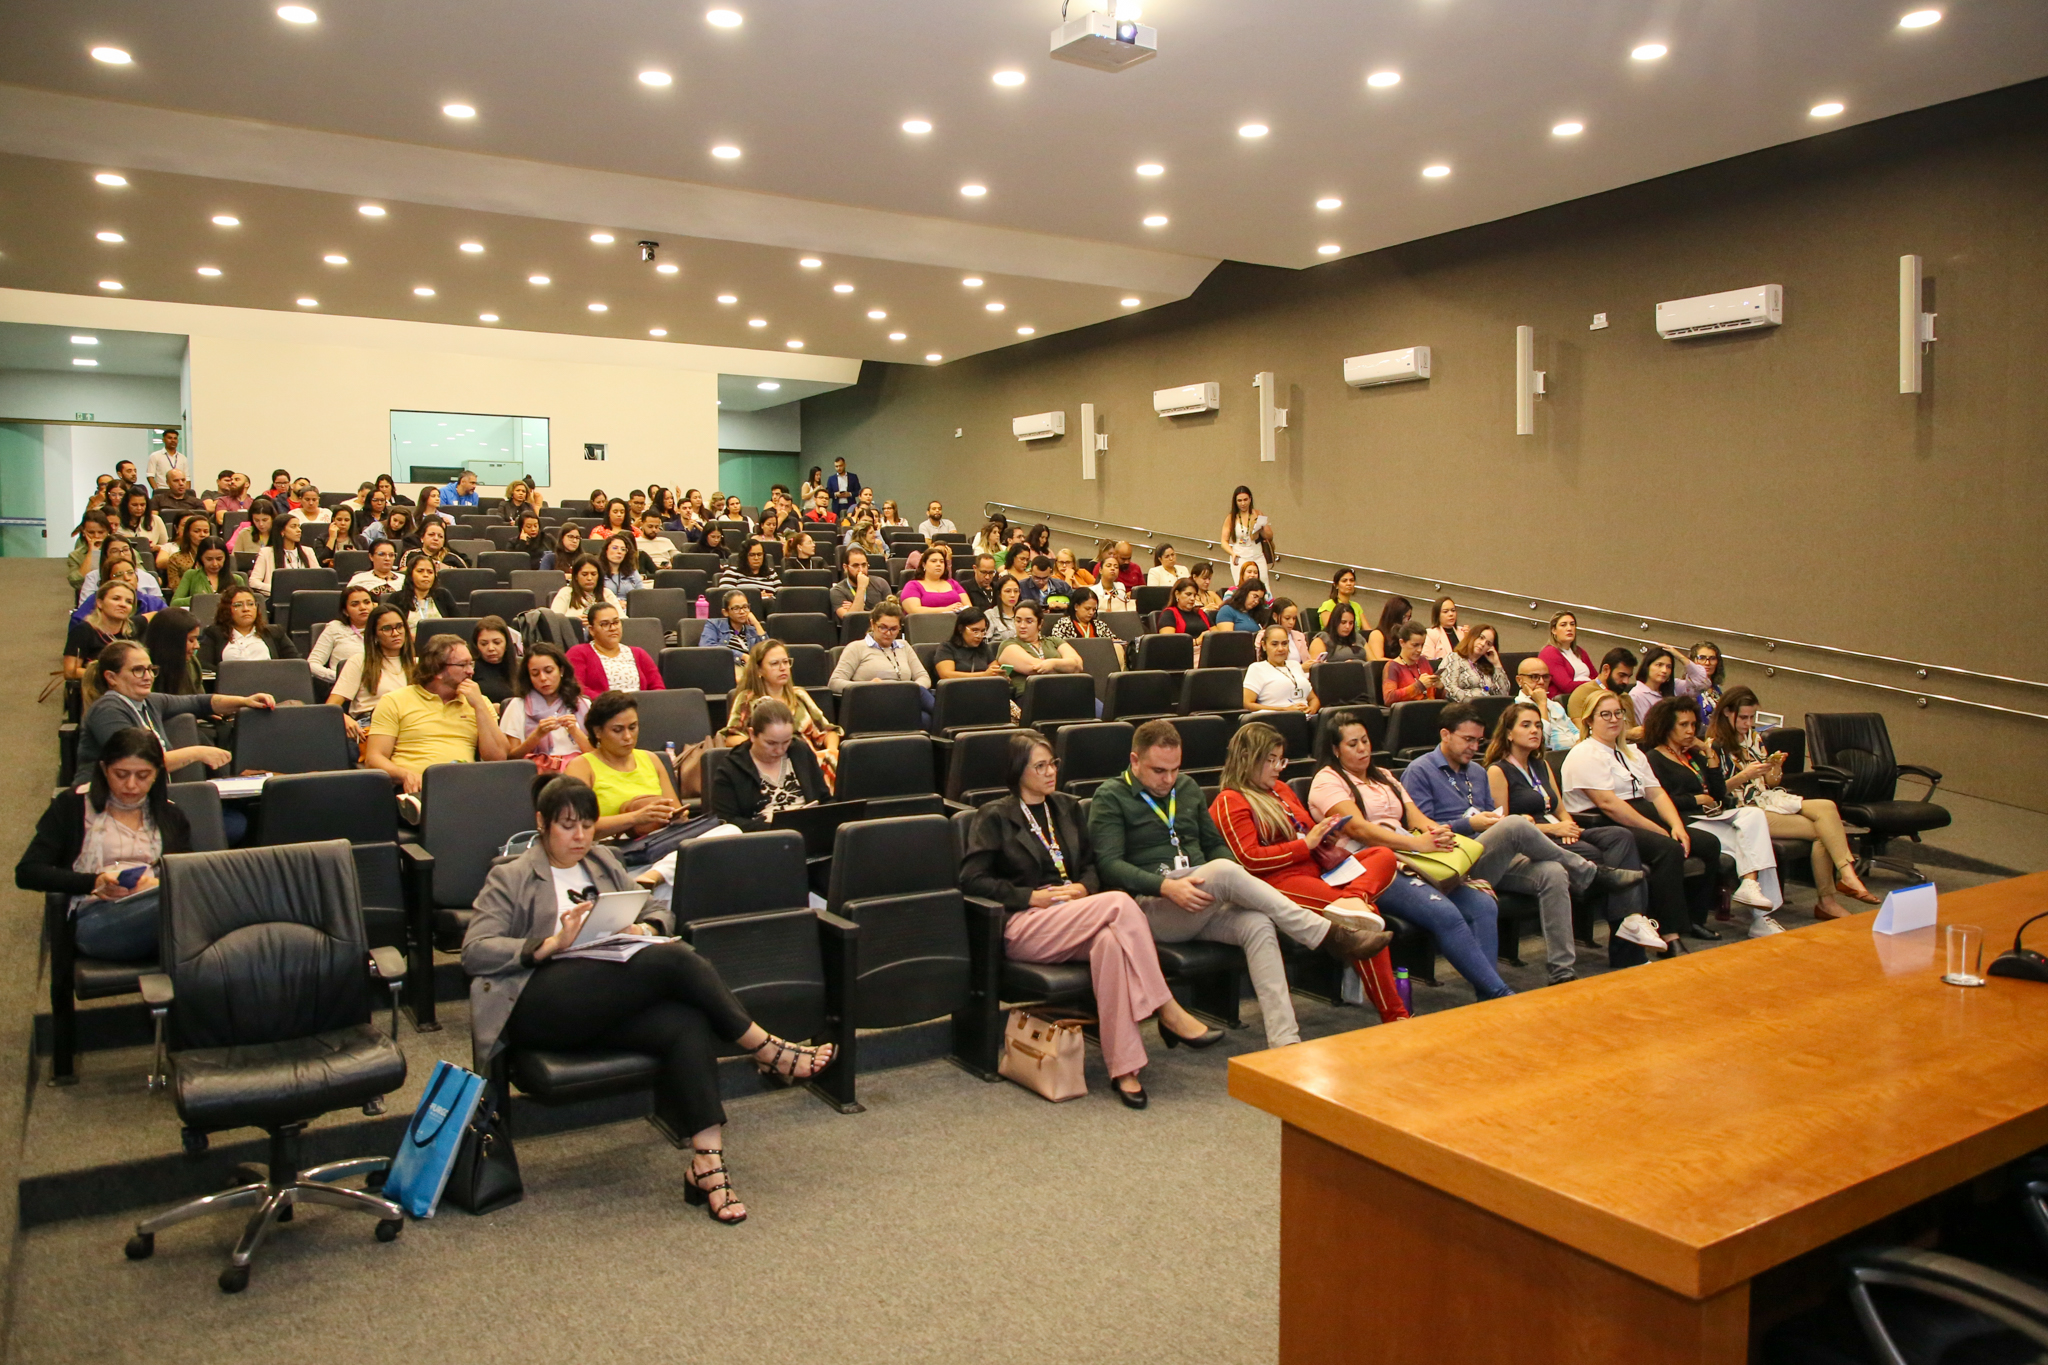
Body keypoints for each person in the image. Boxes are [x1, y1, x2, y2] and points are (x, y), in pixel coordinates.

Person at [466, 774, 831, 1224]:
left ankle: (707, 1164)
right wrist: (550, 944)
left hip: (605, 997)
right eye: (566, 826)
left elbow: (655, 909)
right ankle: (764, 1047)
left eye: (586, 825)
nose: (579, 836)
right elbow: (475, 950)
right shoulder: (512, 875)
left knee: (685, 1023)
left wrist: (645, 929)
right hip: (540, 1003)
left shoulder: (601, 861)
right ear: (542, 824)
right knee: (677, 961)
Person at [962, 731, 1227, 1107]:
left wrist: (1084, 889)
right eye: (1040, 765)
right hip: (1025, 923)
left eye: (1052, 763)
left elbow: (1090, 866)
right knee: (1119, 903)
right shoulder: (995, 816)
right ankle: (1166, 1007)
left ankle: (1125, 1069)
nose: (1050, 772)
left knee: (1111, 944)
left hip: (1076, 914)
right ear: (1017, 770)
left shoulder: (1067, 808)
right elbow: (972, 880)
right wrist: (1030, 896)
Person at [1090, 720, 1389, 1050]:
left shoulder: (1186, 788)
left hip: (1200, 896)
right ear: (1134, 761)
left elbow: (1214, 844)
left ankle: (1285, 1042)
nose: (1168, 779)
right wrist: (1166, 888)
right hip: (1150, 907)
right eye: (1159, 770)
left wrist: (1231, 878)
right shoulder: (1110, 797)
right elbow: (1110, 866)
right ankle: (1324, 933)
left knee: (1257, 923)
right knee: (1223, 871)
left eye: (1175, 769)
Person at [1404, 702, 1643, 984]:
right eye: (1467, 740)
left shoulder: (1477, 772)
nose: (1473, 747)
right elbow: (1418, 829)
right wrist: (1471, 824)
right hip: (1451, 863)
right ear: (1445, 734)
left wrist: (1492, 823)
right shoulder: (1419, 771)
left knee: (1553, 872)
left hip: (1487, 855)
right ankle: (1591, 872)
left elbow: (1490, 818)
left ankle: (1562, 971)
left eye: (1478, 740)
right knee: (1515, 823)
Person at [1306, 711, 1516, 1001]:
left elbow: (1417, 819)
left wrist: (1439, 834)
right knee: (1446, 914)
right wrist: (1418, 846)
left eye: (1365, 741)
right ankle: (1500, 993)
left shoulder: (1385, 776)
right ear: (1334, 749)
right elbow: (1360, 830)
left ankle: (1487, 993)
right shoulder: (1326, 781)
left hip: (1409, 856)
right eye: (1353, 744)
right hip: (1369, 864)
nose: (1363, 749)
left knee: (1482, 904)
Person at [1208, 722, 1407, 1022]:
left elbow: (1305, 832)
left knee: (1383, 854)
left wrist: (1324, 835)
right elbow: (1248, 860)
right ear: (1247, 757)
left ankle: (1353, 898)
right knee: (1367, 919)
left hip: (1320, 870)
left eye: (1281, 760)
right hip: (1278, 882)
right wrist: (1307, 845)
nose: (1278, 768)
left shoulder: (1282, 790)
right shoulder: (1230, 800)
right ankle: (1396, 1016)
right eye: (1271, 760)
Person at [1483, 702, 1659, 969]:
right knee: (1632, 872)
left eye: (1538, 726)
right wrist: (1554, 829)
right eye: (1526, 725)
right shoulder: (1498, 770)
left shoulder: (1540, 765)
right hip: (1537, 842)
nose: (1535, 731)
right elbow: (1505, 826)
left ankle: (1630, 922)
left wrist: (1569, 826)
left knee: (1620, 836)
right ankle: (1629, 944)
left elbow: (1561, 809)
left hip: (1563, 832)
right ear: (1508, 733)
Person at [17, 727, 192, 962]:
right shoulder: (72, 806)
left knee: (180, 902)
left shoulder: (170, 814)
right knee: (182, 905)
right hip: (97, 918)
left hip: (156, 910)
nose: (131, 785)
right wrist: (95, 881)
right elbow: (27, 872)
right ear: (103, 769)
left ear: (157, 774)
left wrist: (156, 884)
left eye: (143, 776)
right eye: (120, 774)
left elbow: (188, 873)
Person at [1560, 689, 1719, 946]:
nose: (1613, 719)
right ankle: (1669, 933)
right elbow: (1609, 805)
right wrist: (1659, 830)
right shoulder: (1584, 754)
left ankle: (1694, 920)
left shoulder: (1633, 753)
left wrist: (1676, 825)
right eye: (1605, 714)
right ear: (1589, 720)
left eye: (1618, 713)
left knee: (1708, 843)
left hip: (1642, 813)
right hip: (1606, 823)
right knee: (1668, 849)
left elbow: (1657, 794)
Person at [1707, 685, 1879, 919]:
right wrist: (1744, 775)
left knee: (1827, 808)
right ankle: (1832, 895)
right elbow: (1714, 792)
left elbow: (1771, 781)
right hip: (1742, 810)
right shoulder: (1713, 745)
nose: (1748, 723)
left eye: (1751, 717)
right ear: (1727, 712)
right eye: (1744, 718)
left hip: (1766, 799)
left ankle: (1846, 877)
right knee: (1825, 831)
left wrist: (1774, 767)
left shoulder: (1753, 737)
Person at [1643, 697, 1782, 934]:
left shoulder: (1693, 755)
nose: (1690, 731)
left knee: (1754, 817)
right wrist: (1694, 799)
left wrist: (1710, 754)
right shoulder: (1653, 758)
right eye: (1683, 725)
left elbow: (1717, 793)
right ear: (1666, 726)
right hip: (1686, 821)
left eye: (1693, 725)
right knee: (1754, 847)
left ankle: (1751, 888)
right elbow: (1658, 800)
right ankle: (1761, 919)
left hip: (1711, 817)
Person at [73, 640, 274, 779]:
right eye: (138, 670)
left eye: (151, 669)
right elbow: (137, 763)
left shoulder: (150, 701)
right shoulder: (107, 710)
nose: (148, 676)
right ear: (111, 677)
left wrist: (245, 701)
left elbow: (200, 702)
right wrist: (198, 752)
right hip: (102, 802)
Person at [364, 632, 511, 797]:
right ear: (437, 669)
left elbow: (498, 757)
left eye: (471, 664)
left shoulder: (478, 702)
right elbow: (374, 758)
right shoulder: (395, 700)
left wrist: (480, 706)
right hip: (414, 788)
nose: (470, 671)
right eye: (462, 665)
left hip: (463, 786)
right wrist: (405, 775)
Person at [561, 693, 685, 839]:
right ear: (598, 731)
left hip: (659, 843)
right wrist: (635, 818)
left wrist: (679, 817)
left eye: (632, 727)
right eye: (617, 730)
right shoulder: (581, 767)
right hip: (609, 849)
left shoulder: (652, 759)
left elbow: (677, 812)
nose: (627, 737)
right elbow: (577, 825)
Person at [710, 697, 831, 829]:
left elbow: (824, 799)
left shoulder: (800, 751)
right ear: (752, 734)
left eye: (786, 742)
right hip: (762, 839)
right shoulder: (731, 768)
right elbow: (725, 821)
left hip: (809, 830)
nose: (779, 750)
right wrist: (774, 827)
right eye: (771, 743)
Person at [719, 639, 839, 769]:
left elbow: (828, 731)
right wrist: (768, 748)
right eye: (775, 664)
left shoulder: (799, 695)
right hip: (769, 763)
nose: (783, 668)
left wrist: (832, 750)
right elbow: (731, 738)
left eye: (786, 662)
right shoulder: (747, 700)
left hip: (809, 762)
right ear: (759, 670)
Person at [829, 600, 933, 724]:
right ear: (873, 624)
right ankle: (953, 719)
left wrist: (909, 689)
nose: (888, 633)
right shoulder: (856, 647)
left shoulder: (904, 646)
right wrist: (866, 686)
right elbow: (834, 682)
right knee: (927, 705)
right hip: (872, 701)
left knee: (926, 718)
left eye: (893, 629)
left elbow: (923, 677)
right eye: (882, 627)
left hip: (904, 700)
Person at [500, 642, 591, 770]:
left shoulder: (583, 704)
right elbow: (511, 758)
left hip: (579, 770)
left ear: (561, 670)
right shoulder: (517, 705)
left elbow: (597, 755)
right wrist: (537, 735)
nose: (543, 678)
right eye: (535, 674)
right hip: (535, 772)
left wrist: (575, 732)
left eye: (548, 671)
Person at [996, 602, 1085, 703]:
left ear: (1040, 623)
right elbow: (1034, 668)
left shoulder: (1054, 641)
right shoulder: (1008, 645)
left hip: (1064, 690)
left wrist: (1053, 663)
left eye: (1029, 621)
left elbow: (1078, 664)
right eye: (1018, 621)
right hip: (1031, 695)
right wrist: (1067, 668)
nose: (1022, 626)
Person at [567, 602, 663, 695]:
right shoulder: (578, 653)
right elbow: (576, 688)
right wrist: (614, 705)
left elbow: (658, 688)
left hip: (641, 708)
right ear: (591, 630)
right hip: (601, 708)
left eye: (616, 622)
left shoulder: (639, 653)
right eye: (604, 624)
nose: (613, 628)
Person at [196, 587, 297, 672]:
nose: (246, 609)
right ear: (227, 609)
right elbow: (203, 665)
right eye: (238, 605)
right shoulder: (214, 633)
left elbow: (295, 663)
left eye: (250, 604)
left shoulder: (275, 632)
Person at [1629, 646, 1716, 728]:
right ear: (1647, 667)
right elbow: (1650, 729)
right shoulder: (1637, 695)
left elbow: (1703, 683)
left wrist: (1679, 657)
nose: (1664, 671)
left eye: (1669, 667)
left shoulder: (1674, 686)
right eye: (1659, 665)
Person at [1243, 623, 1318, 715]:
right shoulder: (1257, 668)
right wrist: (1284, 710)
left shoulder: (1296, 665)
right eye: (1274, 644)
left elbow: (1313, 698)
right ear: (1264, 645)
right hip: (1276, 719)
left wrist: (1312, 708)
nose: (1280, 649)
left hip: (1306, 719)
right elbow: (1247, 704)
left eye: (1284, 644)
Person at [308, 584, 376, 685]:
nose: (362, 607)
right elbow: (312, 664)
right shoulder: (335, 628)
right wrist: (338, 677)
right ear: (345, 611)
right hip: (343, 686)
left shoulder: (383, 627)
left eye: (367, 602)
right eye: (355, 604)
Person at [1515, 655, 1580, 751]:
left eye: (1545, 677)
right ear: (1520, 680)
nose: (1541, 682)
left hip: (1573, 753)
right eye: (1534, 677)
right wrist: (1542, 704)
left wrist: (1578, 747)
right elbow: (1541, 742)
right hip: (1551, 758)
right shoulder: (1518, 708)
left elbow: (1576, 732)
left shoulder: (1555, 705)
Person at [247, 514, 321, 595]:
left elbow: (319, 577)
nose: (299, 530)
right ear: (282, 531)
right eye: (293, 526)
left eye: (298, 526)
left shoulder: (308, 551)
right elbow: (253, 581)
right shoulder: (266, 553)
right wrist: (277, 589)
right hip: (278, 599)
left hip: (305, 597)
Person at [142, 606, 205, 696]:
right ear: (172, 641)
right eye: (191, 640)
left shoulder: (192, 663)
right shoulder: (143, 667)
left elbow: (201, 701)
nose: (197, 646)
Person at [1440, 624, 1511, 701]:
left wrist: (1497, 665)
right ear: (1472, 636)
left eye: (1488, 643)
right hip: (1462, 707)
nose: (1483, 644)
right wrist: (1474, 701)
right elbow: (1449, 688)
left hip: (1488, 707)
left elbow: (1504, 694)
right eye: (1481, 638)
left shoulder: (1487, 665)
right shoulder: (1454, 658)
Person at [1221, 485, 1274, 585]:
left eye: (1245, 499)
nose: (1243, 503)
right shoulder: (1231, 518)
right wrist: (1232, 553)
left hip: (1257, 555)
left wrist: (1261, 528)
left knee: (1263, 585)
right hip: (1240, 556)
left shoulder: (1258, 514)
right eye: (1239, 500)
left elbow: (1270, 536)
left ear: (1250, 499)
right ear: (1235, 502)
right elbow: (1224, 541)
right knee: (1242, 587)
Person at [389, 554, 456, 628]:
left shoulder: (443, 595)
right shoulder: (397, 598)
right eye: (420, 571)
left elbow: (457, 624)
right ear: (411, 575)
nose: (426, 575)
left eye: (430, 572)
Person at [170, 539, 243, 608]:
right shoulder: (191, 575)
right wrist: (201, 599)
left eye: (219, 559)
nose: (215, 564)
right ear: (201, 558)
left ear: (225, 558)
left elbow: (245, 602)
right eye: (209, 559)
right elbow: (174, 603)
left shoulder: (237, 579)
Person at [1539, 611, 1595, 699]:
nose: (1569, 628)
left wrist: (1597, 684)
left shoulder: (1580, 651)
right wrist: (1594, 684)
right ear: (1554, 630)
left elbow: (1595, 677)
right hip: (1565, 699)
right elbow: (1567, 686)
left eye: (1572, 624)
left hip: (1588, 696)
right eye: (1563, 625)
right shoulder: (1549, 652)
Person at [701, 590, 767, 663]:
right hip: (726, 667)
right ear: (725, 612)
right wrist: (742, 656)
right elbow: (706, 648)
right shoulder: (714, 625)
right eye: (736, 608)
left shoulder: (752, 630)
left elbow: (768, 652)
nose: (742, 612)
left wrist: (756, 623)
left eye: (745, 607)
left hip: (750, 670)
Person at [1382, 621, 1441, 702]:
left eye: (1422, 645)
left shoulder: (1423, 661)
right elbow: (1389, 698)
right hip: (1409, 711)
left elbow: (1433, 695)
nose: (1419, 650)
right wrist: (1419, 686)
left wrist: (1440, 687)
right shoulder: (1393, 666)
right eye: (1415, 645)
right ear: (1402, 642)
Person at [471, 616, 522, 707]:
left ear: (507, 643)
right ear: (476, 645)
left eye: (497, 642)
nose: (491, 648)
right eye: (484, 644)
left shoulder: (521, 667)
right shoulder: (470, 669)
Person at [831, 547, 891, 620]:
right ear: (845, 567)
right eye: (855, 566)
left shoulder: (881, 583)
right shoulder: (837, 591)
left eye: (864, 565)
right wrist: (861, 587)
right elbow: (851, 620)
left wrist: (855, 608)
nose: (861, 570)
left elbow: (891, 614)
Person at [66, 510, 113, 599]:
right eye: (91, 533)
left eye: (101, 532)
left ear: (107, 532)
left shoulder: (123, 549)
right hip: (91, 597)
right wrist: (92, 552)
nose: (96, 536)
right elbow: (77, 582)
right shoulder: (75, 556)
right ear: (83, 532)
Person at [715, 539, 779, 604]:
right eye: (752, 555)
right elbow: (725, 596)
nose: (756, 558)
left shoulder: (771, 573)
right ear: (744, 557)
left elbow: (781, 597)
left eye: (759, 554)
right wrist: (755, 597)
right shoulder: (732, 572)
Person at [154, 512, 212, 582]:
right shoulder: (175, 558)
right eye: (197, 531)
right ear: (187, 533)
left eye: (206, 532)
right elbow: (176, 586)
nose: (202, 535)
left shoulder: (217, 555)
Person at [111, 486, 168, 550]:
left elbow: (166, 546)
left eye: (142, 505)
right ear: (126, 505)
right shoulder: (116, 521)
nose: (139, 508)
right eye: (134, 505)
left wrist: (156, 547)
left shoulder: (156, 520)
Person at [595, 532, 644, 600]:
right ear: (606, 550)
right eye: (615, 548)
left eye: (623, 549)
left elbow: (641, 595)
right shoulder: (596, 571)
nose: (619, 552)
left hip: (630, 607)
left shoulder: (632, 572)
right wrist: (616, 603)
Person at [1366, 595, 1412, 664]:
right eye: (1405, 617)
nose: (1406, 621)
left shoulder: (1405, 634)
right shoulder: (1377, 634)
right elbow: (1377, 660)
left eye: (1409, 617)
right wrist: (1401, 663)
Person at [1318, 568, 1363, 636]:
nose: (1349, 583)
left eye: (1351, 580)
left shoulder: (1356, 606)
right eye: (1344, 581)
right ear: (1336, 585)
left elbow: (1368, 630)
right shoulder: (1328, 605)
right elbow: (1331, 629)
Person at [982, 575, 1023, 643]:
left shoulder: (1023, 614)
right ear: (999, 593)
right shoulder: (990, 615)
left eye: (1016, 591)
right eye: (1008, 591)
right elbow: (985, 643)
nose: (1012, 595)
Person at [1422, 597, 1463, 663]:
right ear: (1437, 615)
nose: (1451, 614)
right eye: (1445, 612)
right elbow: (1427, 661)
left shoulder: (1462, 632)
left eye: (1453, 610)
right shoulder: (1431, 634)